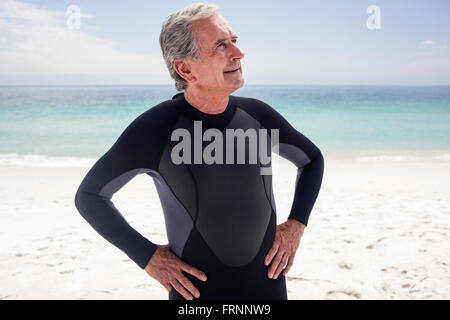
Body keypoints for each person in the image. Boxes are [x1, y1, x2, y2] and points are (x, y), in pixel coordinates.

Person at [74, 2, 324, 300]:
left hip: (267, 289)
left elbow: (312, 161)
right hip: (196, 297)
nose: (238, 53)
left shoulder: (259, 117)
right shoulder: (157, 128)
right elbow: (89, 197)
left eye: (234, 41)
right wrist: (147, 257)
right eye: (221, 45)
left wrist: (297, 224)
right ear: (185, 68)